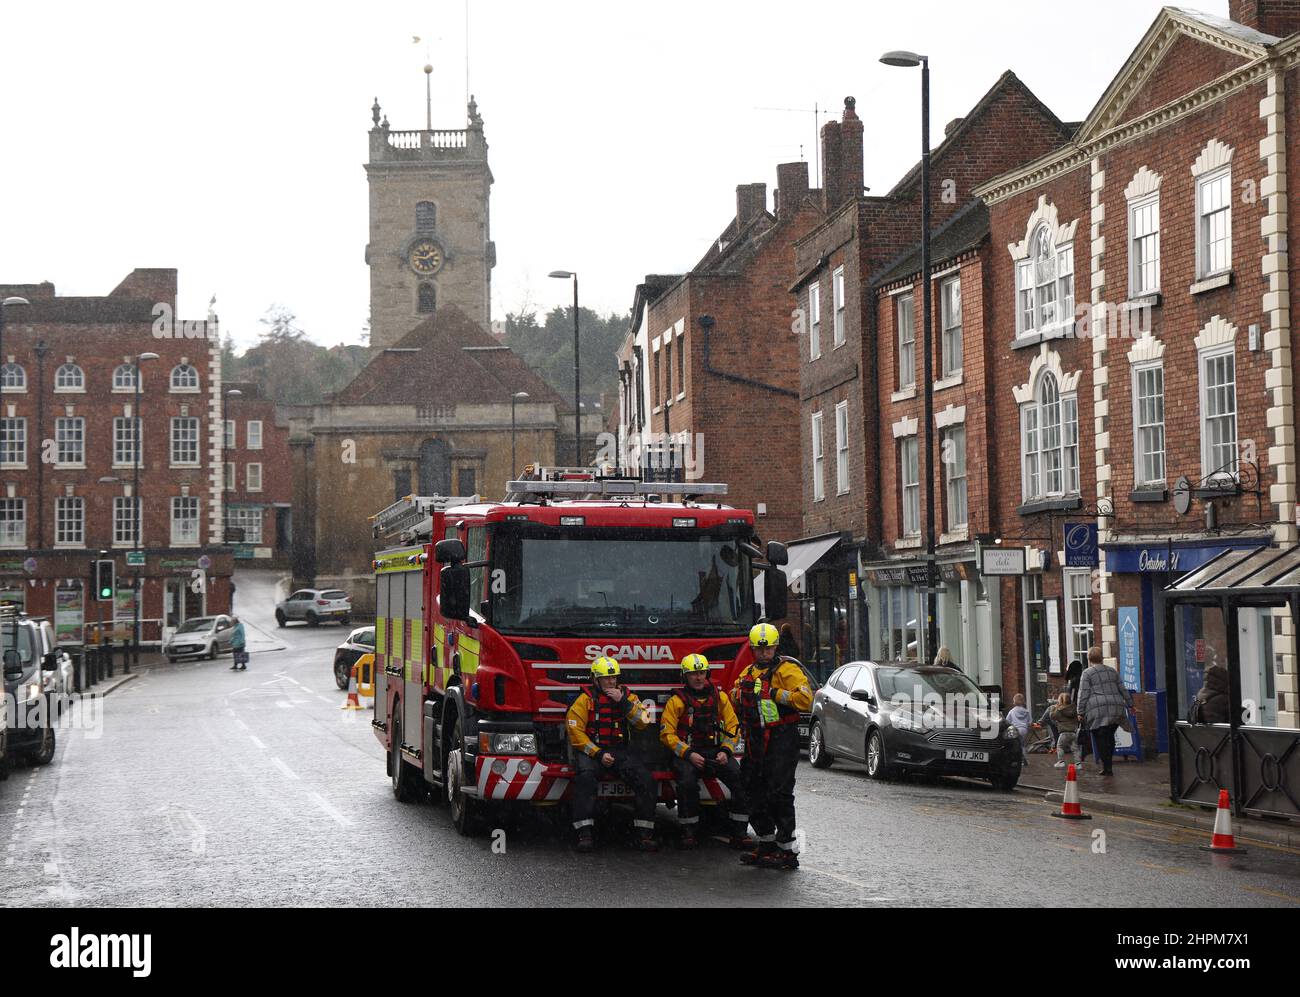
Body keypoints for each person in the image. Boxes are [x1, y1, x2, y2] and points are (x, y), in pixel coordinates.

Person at [732, 622, 813, 870]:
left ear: (776, 647)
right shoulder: (748, 672)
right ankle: (766, 842)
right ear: (753, 650)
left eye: (768, 649)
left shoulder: (787, 670)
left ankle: (787, 851)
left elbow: (805, 699)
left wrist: (775, 693)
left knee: (779, 794)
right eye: (759, 649)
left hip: (781, 739)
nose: (764, 654)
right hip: (755, 739)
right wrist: (739, 694)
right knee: (752, 790)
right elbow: (735, 695)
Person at [566, 655, 658, 853]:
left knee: (646, 779)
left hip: (619, 751)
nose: (611, 682)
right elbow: (575, 732)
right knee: (585, 778)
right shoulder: (585, 699)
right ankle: (585, 834)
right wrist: (598, 754)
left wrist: (623, 702)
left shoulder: (628, 697)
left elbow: (644, 721)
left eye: (614, 677)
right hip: (592, 751)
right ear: (595, 679)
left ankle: (644, 834)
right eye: (606, 678)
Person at [660, 653, 751, 850]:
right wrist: (688, 754)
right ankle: (688, 830)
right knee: (687, 783)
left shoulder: (720, 698)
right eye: (693, 674)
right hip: (687, 754)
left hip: (716, 751)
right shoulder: (676, 701)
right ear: (685, 677)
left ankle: (740, 832)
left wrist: (726, 751)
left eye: (702, 673)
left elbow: (733, 726)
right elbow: (667, 734)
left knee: (740, 778)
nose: (699, 677)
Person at [1077, 645, 1134, 776]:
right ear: (1102, 658)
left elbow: (1083, 693)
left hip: (1097, 709)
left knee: (1100, 738)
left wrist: (1080, 712)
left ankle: (1107, 767)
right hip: (1115, 707)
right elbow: (1122, 689)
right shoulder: (1112, 671)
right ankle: (1108, 765)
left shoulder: (1087, 673)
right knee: (1109, 736)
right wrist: (1130, 704)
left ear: (1089, 658)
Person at [1049, 692, 1080, 769]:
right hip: (1073, 732)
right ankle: (1078, 764)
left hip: (1064, 733)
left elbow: (1052, 716)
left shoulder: (1059, 710)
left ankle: (1061, 762)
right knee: (1075, 748)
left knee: (1059, 746)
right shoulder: (1074, 709)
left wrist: (1054, 708)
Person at [1005, 694, 1032, 763]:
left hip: (1015, 729)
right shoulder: (1026, 711)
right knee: (1022, 745)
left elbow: (1007, 721)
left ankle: (1015, 759)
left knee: (1014, 745)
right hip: (1024, 729)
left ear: (1014, 701)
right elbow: (1030, 722)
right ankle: (1024, 759)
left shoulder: (1012, 711)